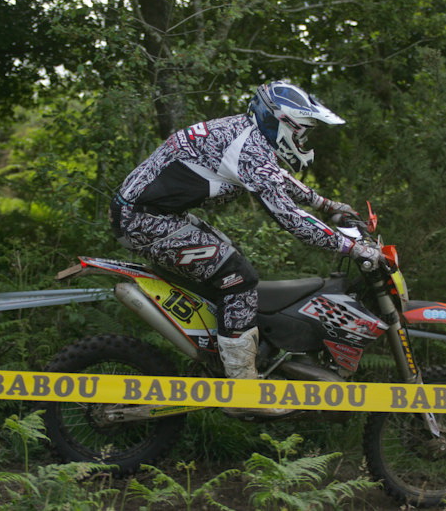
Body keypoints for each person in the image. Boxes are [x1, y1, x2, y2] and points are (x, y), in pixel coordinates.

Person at [110, 81, 382, 413]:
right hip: (145, 220)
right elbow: (291, 218)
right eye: (302, 132)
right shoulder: (248, 148)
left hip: (157, 214)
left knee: (229, 259)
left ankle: (220, 351)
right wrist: (351, 248)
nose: (304, 141)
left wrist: (326, 204)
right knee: (239, 278)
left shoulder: (246, 132)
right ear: (282, 122)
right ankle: (242, 392)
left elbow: (277, 176)